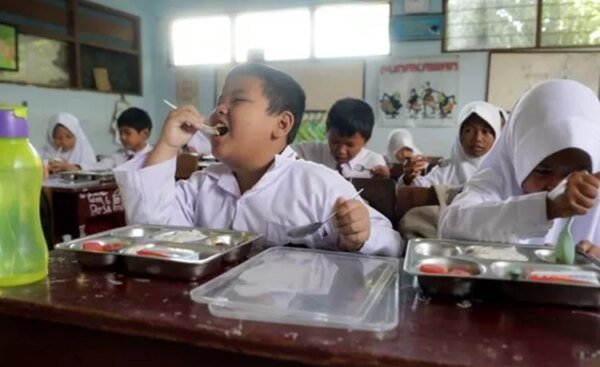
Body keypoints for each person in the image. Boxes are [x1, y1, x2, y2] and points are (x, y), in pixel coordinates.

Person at [114, 63, 402, 256]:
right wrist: (167, 146)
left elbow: (392, 243)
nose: (220, 109)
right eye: (219, 101)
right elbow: (153, 235)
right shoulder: (202, 185)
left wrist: (362, 234)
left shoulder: (318, 184)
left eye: (237, 100)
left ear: (281, 124)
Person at [439, 80, 600, 259]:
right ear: (519, 157)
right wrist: (545, 207)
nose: (557, 186)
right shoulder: (498, 179)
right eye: (543, 170)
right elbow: (451, 227)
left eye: (574, 175)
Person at [401, 101, 501, 188]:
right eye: (469, 130)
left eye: (485, 131)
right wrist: (408, 178)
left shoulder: (503, 171)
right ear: (460, 136)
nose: (477, 138)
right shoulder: (445, 171)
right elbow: (418, 189)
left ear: (496, 136)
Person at [292, 98, 389, 179]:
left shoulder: (374, 163)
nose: (341, 151)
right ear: (327, 132)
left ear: (365, 141)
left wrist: (384, 180)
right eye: (335, 142)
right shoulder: (308, 152)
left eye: (350, 145)